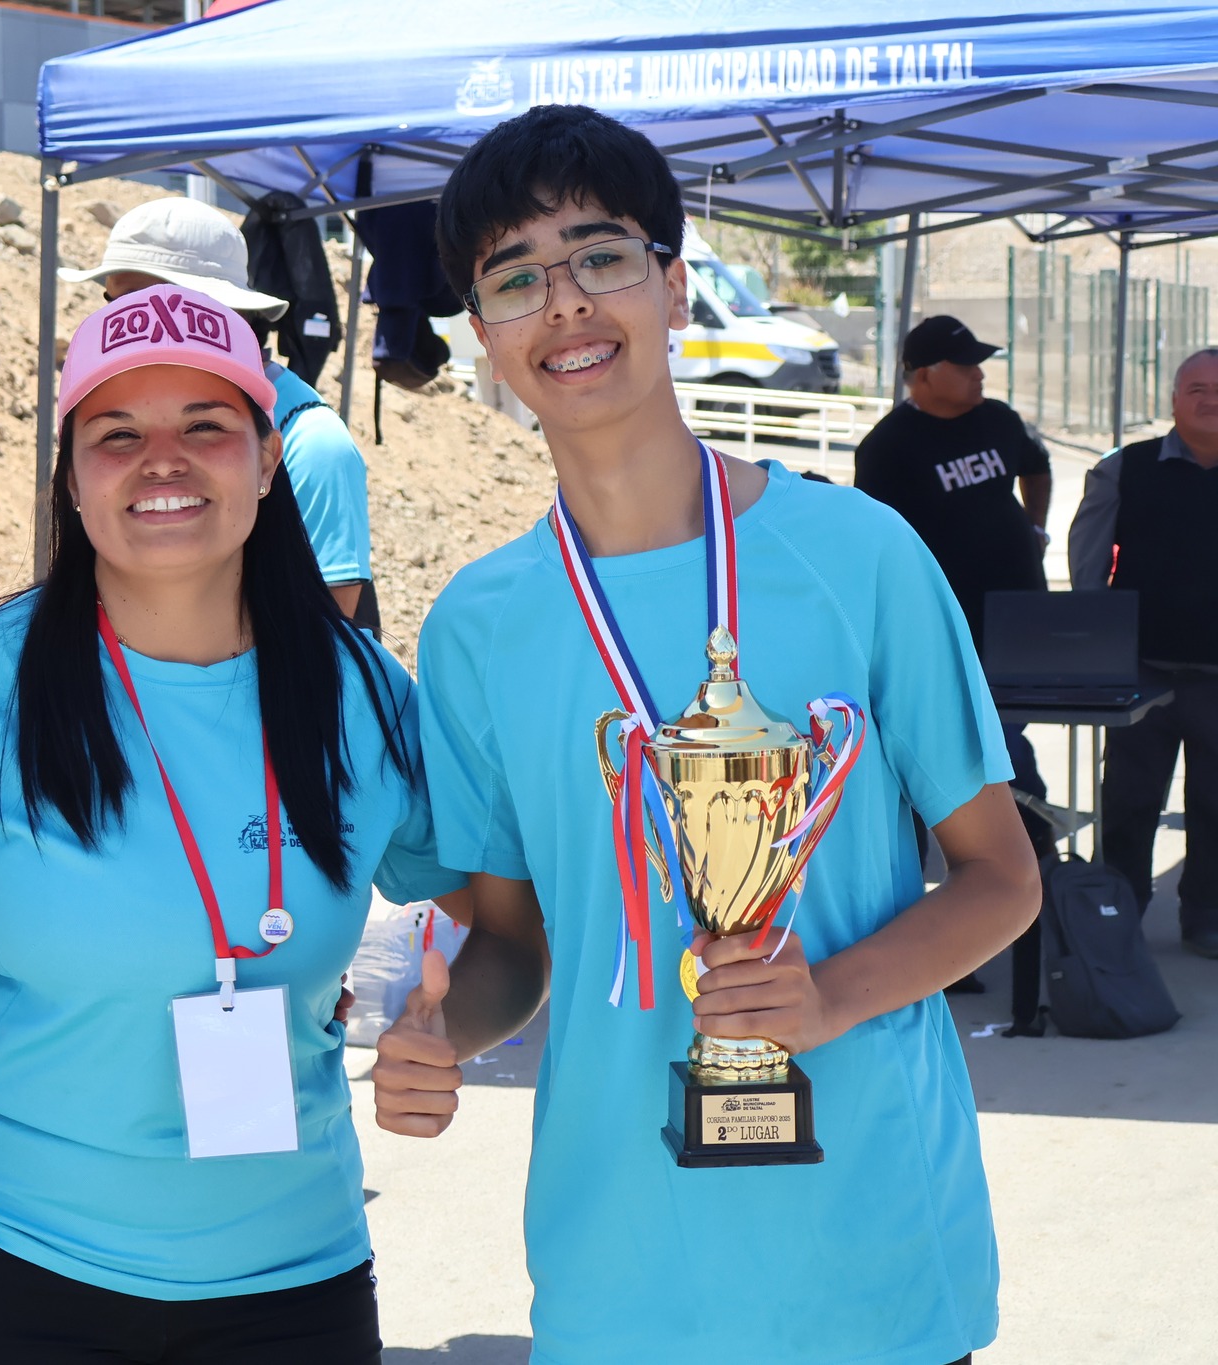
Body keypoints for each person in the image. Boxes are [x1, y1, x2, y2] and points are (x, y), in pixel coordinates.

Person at [372, 106, 1039, 1365]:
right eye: (514, 279)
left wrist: (826, 995)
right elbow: (512, 947)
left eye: (599, 256)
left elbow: (1001, 879)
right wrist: (434, 1033)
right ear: (480, 340)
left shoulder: (859, 555)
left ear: (673, 286)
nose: (563, 304)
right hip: (621, 1273)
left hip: (876, 1262)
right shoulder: (476, 625)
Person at [0, 283, 463, 1364]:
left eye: (205, 425)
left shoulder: (364, 695)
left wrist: (452, 1027)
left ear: (264, 460)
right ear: (68, 474)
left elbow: (503, 927)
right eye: (116, 434)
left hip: (293, 1275)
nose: (163, 460)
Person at [61, 197, 380, 629]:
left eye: (206, 428)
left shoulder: (313, 440)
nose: (126, 321)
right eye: (113, 303)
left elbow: (329, 625)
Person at [854, 315, 1056, 866]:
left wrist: (1036, 526)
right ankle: (1009, 852)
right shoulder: (888, 446)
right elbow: (877, 538)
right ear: (921, 375)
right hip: (944, 624)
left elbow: (1038, 468)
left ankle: (1030, 849)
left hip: (1018, 614)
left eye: (979, 363)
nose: (978, 374)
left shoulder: (999, 420)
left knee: (1007, 729)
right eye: (964, 365)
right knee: (976, 738)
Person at [1067, 347, 1218, 958]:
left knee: (1215, 803)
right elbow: (1088, 559)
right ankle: (1119, 910)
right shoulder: (1125, 469)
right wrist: (1090, 643)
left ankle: (1206, 915)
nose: (1210, 400)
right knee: (1129, 800)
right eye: (1197, 388)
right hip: (1140, 669)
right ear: (1174, 399)